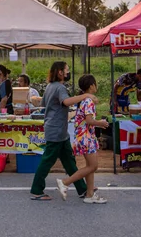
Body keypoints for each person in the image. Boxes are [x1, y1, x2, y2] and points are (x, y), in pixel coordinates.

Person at [30, 61, 98, 201]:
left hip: (59, 130)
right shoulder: (60, 88)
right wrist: (86, 96)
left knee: (69, 161)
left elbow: (44, 104)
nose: (68, 72)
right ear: (60, 72)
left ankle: (82, 189)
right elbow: (66, 102)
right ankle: (36, 190)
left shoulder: (50, 86)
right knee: (47, 161)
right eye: (67, 70)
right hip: (56, 130)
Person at [56, 74, 109, 204]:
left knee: (90, 166)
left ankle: (90, 194)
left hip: (83, 136)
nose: (96, 86)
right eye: (95, 83)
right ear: (91, 86)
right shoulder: (88, 101)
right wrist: (101, 123)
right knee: (93, 166)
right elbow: (89, 120)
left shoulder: (84, 100)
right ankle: (65, 182)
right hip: (86, 137)